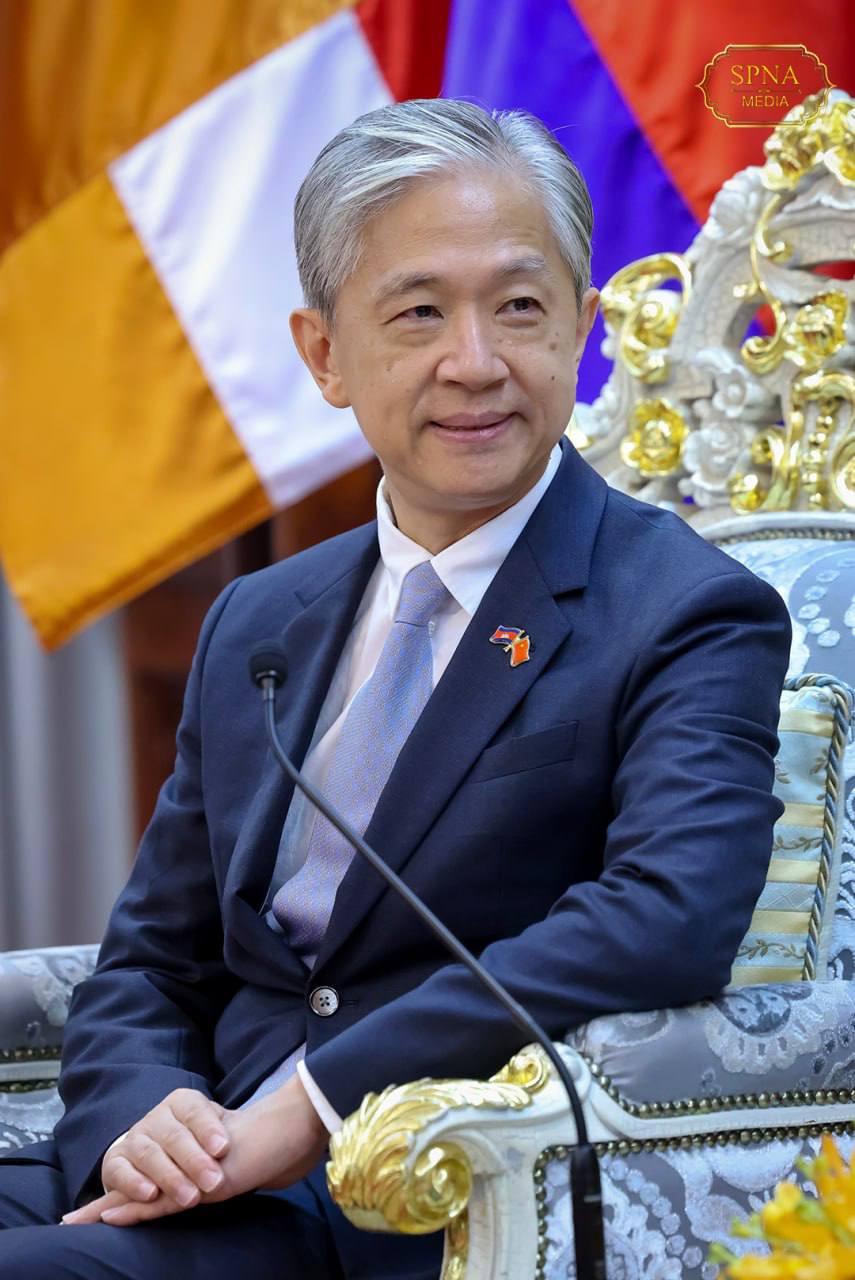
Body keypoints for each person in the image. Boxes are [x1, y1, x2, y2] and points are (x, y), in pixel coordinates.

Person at [0, 98, 791, 1279]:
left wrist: (317, 1099)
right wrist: (140, 1116)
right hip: (196, 1162)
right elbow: (155, 954)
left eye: (519, 306)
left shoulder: (685, 608)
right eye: (419, 312)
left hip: (414, 1188)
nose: (475, 361)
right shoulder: (260, 618)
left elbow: (664, 915)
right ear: (323, 353)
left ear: (583, 325)